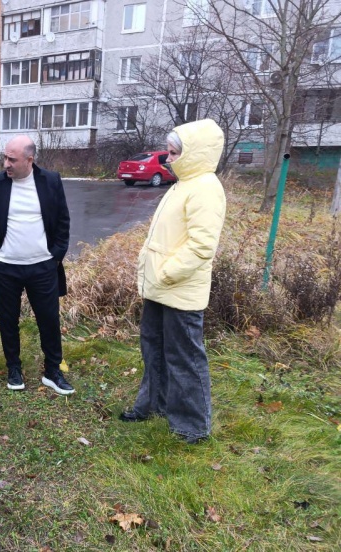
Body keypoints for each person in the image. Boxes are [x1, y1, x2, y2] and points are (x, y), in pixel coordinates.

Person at [120, 118, 226, 445]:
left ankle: (192, 426)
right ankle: (153, 406)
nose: (167, 157)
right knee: (154, 350)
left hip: (178, 290)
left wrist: (166, 273)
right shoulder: (183, 184)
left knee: (185, 359)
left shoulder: (206, 188)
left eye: (174, 152)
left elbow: (202, 245)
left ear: (194, 153)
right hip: (159, 288)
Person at [0, 135, 74, 395]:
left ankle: (53, 371)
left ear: (29, 160)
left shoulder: (50, 181)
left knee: (49, 320)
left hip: (43, 267)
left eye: (12, 159)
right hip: (4, 268)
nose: (6, 163)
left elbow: (62, 221)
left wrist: (56, 255)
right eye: (5, 157)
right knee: (8, 321)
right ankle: (14, 368)